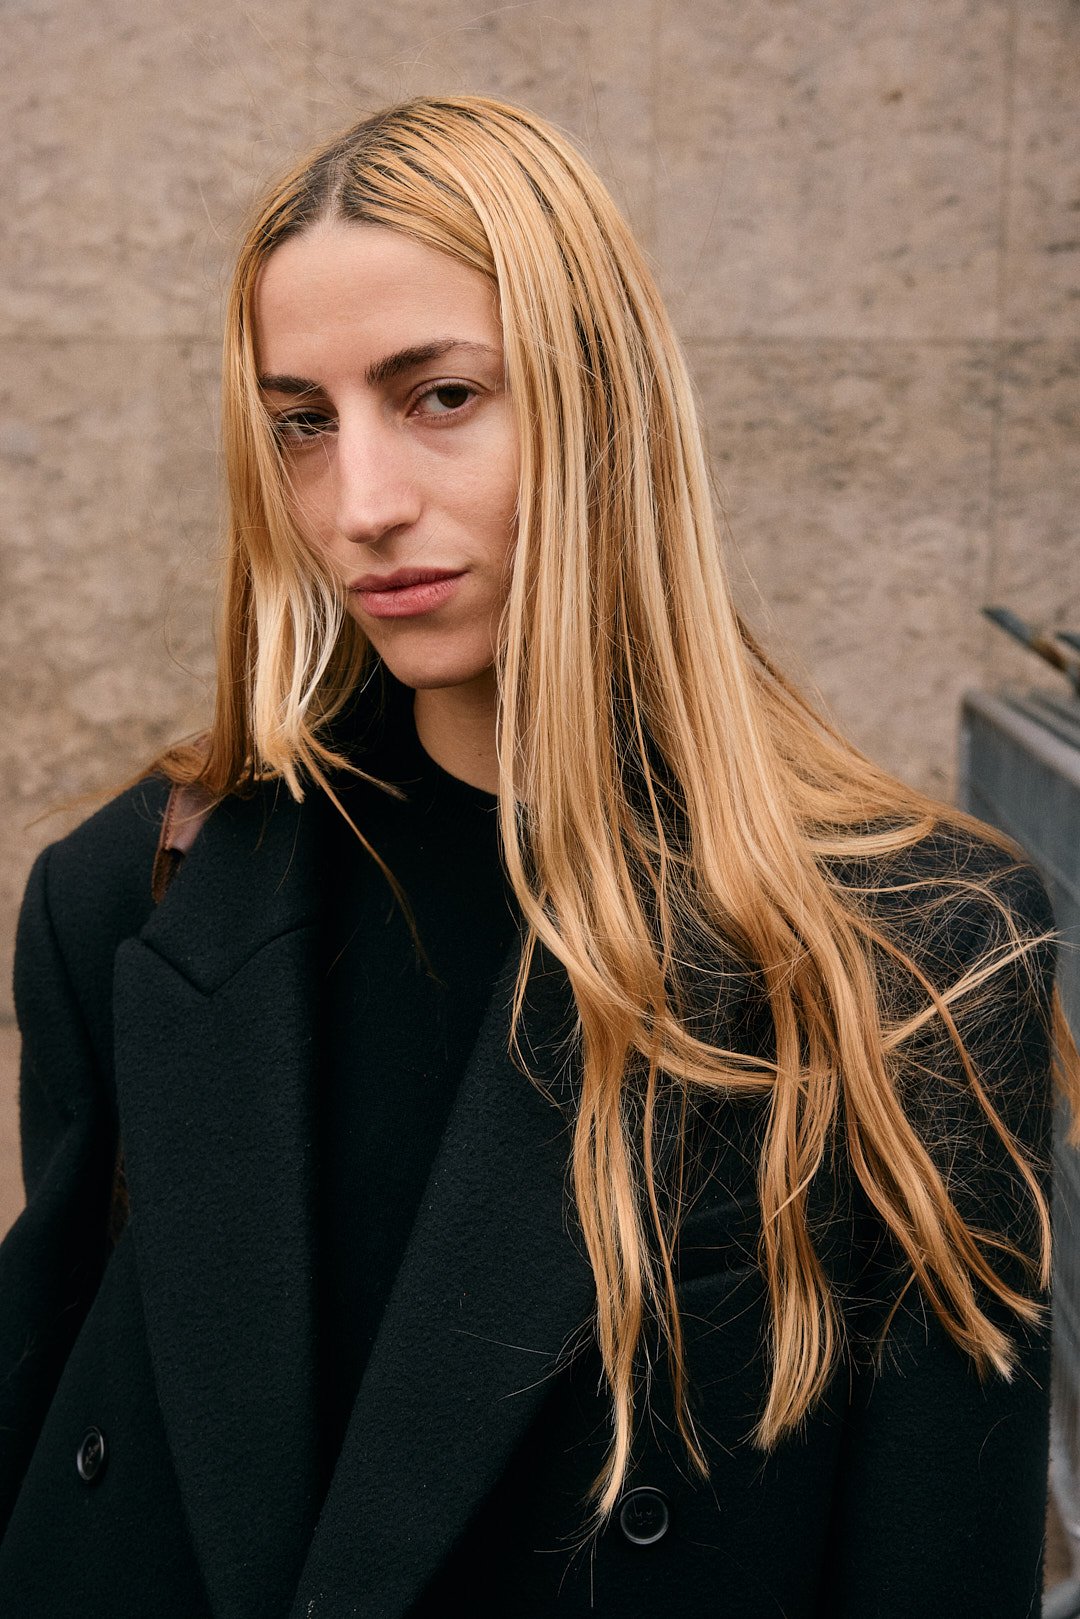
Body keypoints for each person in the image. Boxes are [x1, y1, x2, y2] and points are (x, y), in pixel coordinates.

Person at [0, 95, 1075, 1619]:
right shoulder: (133, 893)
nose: (359, 506)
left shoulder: (915, 949)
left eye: (438, 395)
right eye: (303, 420)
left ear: (602, 403)